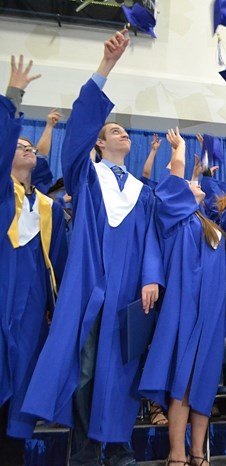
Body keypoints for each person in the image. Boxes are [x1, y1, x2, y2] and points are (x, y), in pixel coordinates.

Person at [22, 29, 164, 466]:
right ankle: (84, 449)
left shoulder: (142, 192)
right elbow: (79, 126)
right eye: (114, 130)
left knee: (121, 369)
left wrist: (151, 278)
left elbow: (150, 242)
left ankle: (118, 445)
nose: (123, 135)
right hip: (90, 286)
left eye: (124, 131)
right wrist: (105, 68)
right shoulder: (86, 177)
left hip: (127, 292)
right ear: (99, 144)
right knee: (85, 370)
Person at [138, 128, 226, 466]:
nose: (198, 186)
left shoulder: (208, 225)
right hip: (184, 307)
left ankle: (197, 454)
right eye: (191, 184)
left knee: (203, 385)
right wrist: (181, 149)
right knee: (183, 382)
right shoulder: (174, 217)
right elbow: (175, 183)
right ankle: (176, 454)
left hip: (211, 315)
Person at [0, 55, 67, 466]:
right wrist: (13, 94)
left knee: (20, 392)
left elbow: (54, 263)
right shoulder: (3, 196)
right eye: (18, 145)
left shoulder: (47, 208)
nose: (27, 149)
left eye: (31, 148)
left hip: (28, 318)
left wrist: (51, 308)